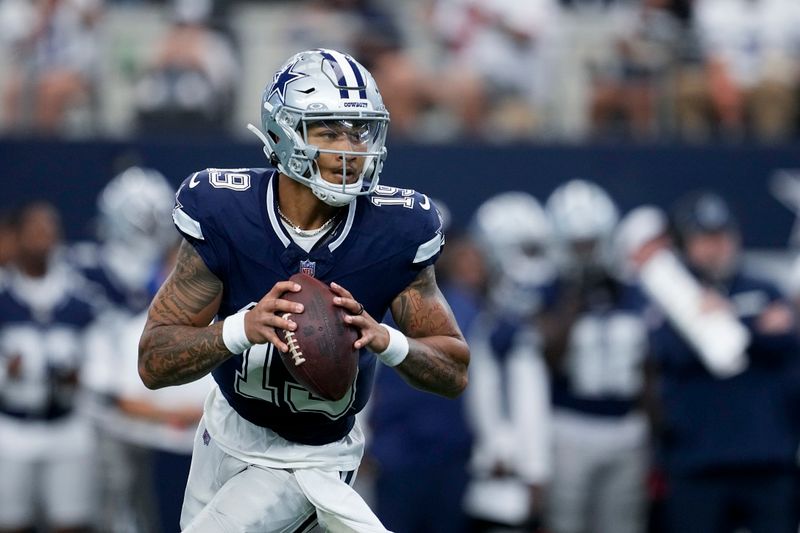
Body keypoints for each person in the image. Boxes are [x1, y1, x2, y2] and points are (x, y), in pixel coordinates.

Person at [138, 48, 470, 532]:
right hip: (227, 431)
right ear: (282, 131)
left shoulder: (396, 229)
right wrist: (240, 329)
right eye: (329, 130)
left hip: (318, 456)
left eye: (360, 131)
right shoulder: (226, 214)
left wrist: (389, 341)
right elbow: (152, 361)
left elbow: (454, 370)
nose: (350, 149)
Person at [640, 192, 800, 533]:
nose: (717, 246)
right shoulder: (670, 297)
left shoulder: (762, 285)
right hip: (698, 464)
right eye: (705, 238)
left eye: (722, 235)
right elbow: (675, 352)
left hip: (766, 461)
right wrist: (752, 327)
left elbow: (786, 340)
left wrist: (727, 320)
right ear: (686, 245)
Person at [539, 180, 650, 533]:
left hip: (627, 427)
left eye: (591, 242)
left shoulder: (631, 291)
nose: (586, 252)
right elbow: (548, 358)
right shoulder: (551, 291)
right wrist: (573, 302)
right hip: (570, 424)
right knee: (565, 522)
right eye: (577, 244)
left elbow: (649, 365)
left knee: (623, 524)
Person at [0, 202, 99, 533]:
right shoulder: (4, 295)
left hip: (67, 424)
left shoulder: (80, 295)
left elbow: (100, 353)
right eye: (35, 230)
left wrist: (82, 374)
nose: (43, 238)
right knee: (10, 522)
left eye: (49, 230)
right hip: (12, 424)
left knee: (71, 521)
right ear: (16, 236)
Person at [464, 192, 554, 532]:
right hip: (500, 470)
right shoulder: (490, 325)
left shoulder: (506, 325)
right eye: (528, 250)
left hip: (510, 469)